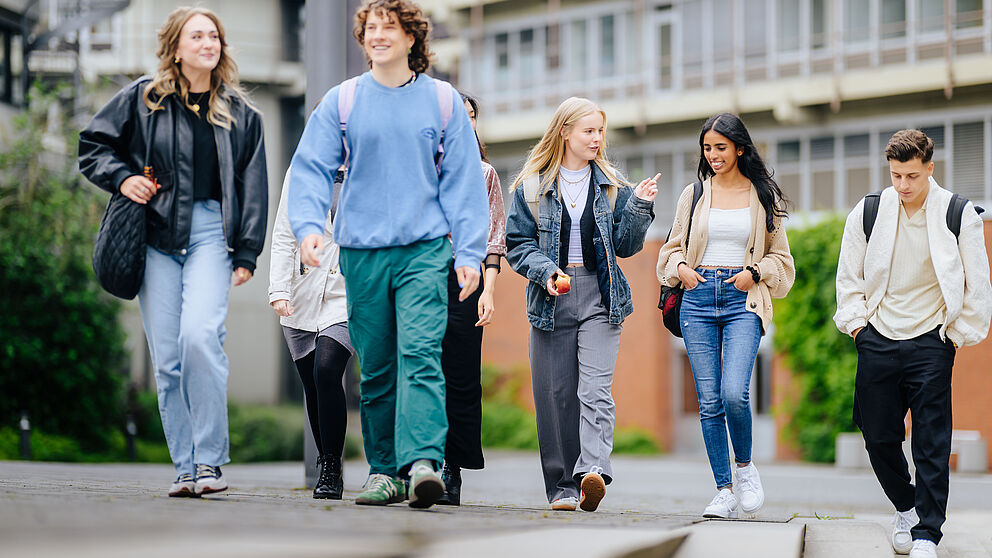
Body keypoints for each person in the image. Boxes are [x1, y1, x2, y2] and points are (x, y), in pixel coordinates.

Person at [287, 0, 489, 510]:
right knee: (376, 366)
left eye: (389, 27)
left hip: (424, 250)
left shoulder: (441, 101)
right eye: (370, 27)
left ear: (411, 39)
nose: (378, 35)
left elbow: (464, 182)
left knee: (420, 354)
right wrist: (311, 227)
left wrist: (468, 253)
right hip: (361, 251)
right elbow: (310, 168)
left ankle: (422, 462)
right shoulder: (344, 101)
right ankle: (383, 471)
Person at [78, 7, 268, 497]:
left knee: (200, 338)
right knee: (167, 359)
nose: (208, 42)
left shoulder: (244, 115)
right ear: (176, 47)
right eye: (197, 35)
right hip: (156, 235)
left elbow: (253, 186)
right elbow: (93, 145)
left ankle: (209, 462)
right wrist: (124, 178)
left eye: (214, 35)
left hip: (211, 233)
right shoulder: (143, 99)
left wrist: (247, 252)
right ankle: (185, 468)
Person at [834, 130, 992, 558]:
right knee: (878, 436)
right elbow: (849, 278)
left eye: (911, 176)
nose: (903, 185)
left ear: (930, 169)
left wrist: (954, 337)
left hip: (931, 342)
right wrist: (858, 330)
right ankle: (905, 507)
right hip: (878, 338)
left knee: (931, 441)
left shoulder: (958, 213)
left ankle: (927, 533)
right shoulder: (868, 212)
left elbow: (978, 286)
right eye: (896, 175)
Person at [505, 97, 658, 512]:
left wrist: (640, 206)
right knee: (555, 395)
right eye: (588, 131)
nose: (596, 139)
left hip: (599, 294)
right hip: (551, 293)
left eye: (600, 131)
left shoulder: (612, 185)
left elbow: (626, 247)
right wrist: (546, 271)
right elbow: (516, 245)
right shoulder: (532, 186)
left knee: (595, 390)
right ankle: (561, 487)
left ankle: (591, 471)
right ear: (565, 133)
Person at [657, 113, 794, 519]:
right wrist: (681, 268)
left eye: (720, 147)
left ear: (739, 148)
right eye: (707, 148)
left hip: (742, 300)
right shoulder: (694, 194)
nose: (713, 155)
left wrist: (754, 273)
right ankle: (724, 489)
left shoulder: (762, 196)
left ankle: (745, 468)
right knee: (710, 400)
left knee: (735, 393)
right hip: (697, 299)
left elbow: (782, 261)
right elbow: (670, 249)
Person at [436, 94, 506, 506]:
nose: (464, 122)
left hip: (468, 280)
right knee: (422, 368)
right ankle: (416, 463)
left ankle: (452, 469)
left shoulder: (485, 173)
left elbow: (494, 236)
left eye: (471, 115)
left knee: (461, 376)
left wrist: (490, 291)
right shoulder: (423, 169)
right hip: (422, 276)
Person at [269, 167, 353, 500]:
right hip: (302, 290)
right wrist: (278, 288)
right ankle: (327, 459)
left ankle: (331, 468)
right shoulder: (301, 168)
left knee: (327, 369)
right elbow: (283, 233)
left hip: (348, 290)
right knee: (313, 385)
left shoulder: (369, 160)